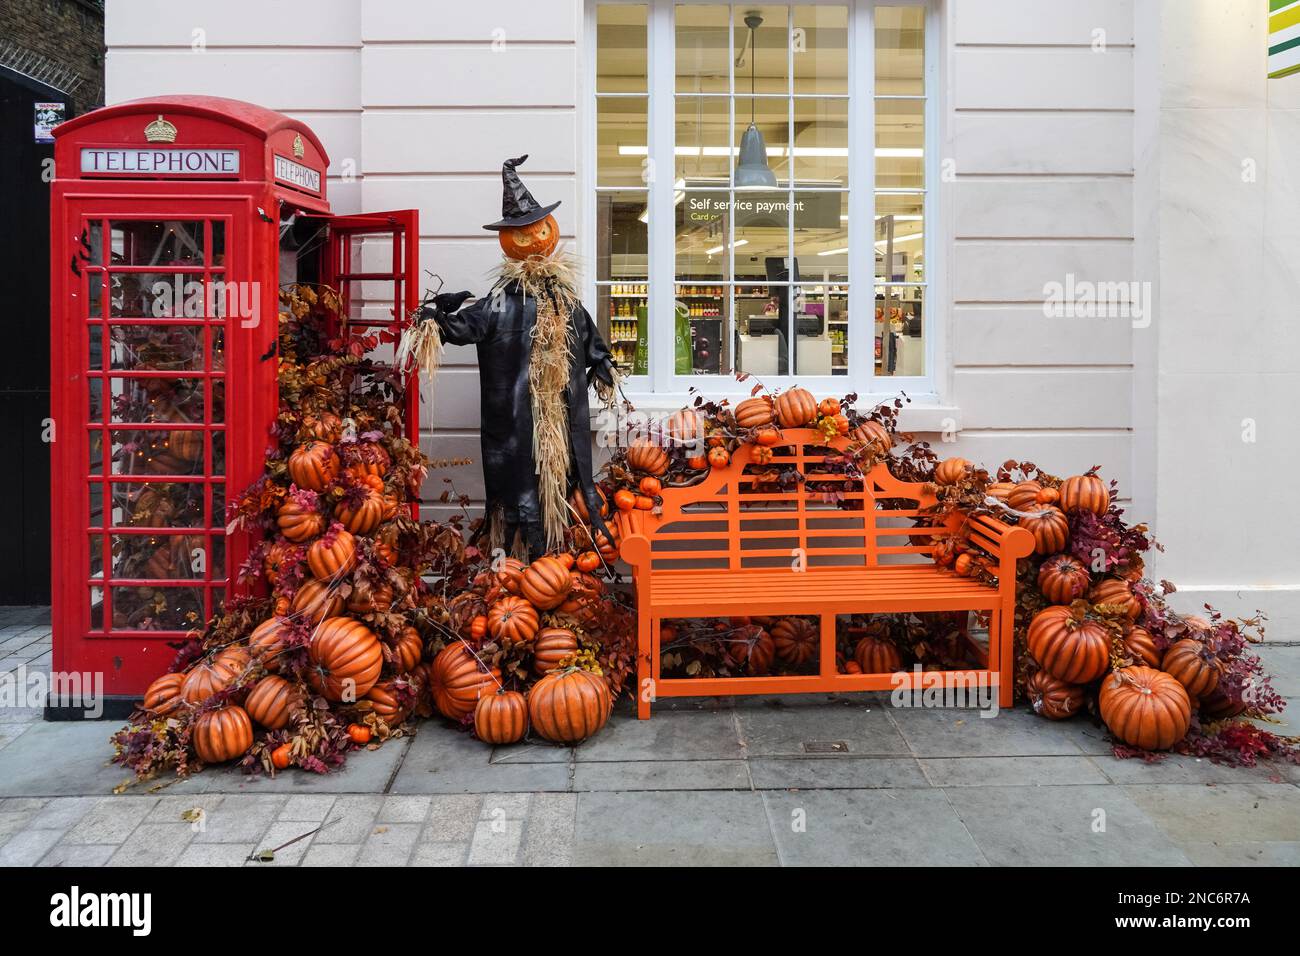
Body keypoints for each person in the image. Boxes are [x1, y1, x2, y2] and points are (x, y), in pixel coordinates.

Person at [404, 156, 617, 559]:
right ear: (507, 241)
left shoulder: (564, 300)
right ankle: (521, 559)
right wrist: (436, 315)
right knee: (519, 487)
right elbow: (459, 328)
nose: (534, 241)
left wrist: (603, 364)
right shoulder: (497, 304)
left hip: (558, 420)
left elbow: (588, 337)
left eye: (539, 230)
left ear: (550, 232)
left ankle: (554, 557)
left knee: (559, 483)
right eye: (520, 235)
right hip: (517, 426)